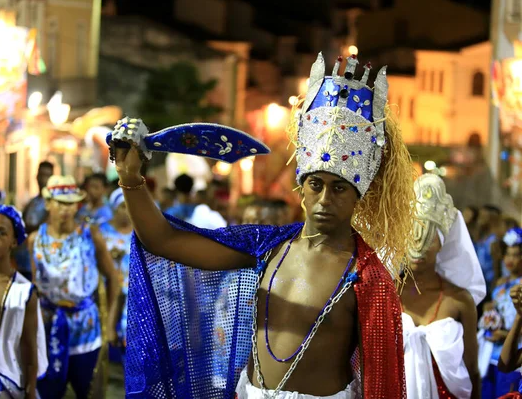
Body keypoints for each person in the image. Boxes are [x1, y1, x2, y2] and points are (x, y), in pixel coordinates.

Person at [111, 53, 416, 398]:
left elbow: (385, 386)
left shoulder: (370, 278)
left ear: (359, 194)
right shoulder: (266, 247)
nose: (325, 199)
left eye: (340, 188)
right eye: (316, 184)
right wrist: (131, 179)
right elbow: (163, 240)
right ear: (301, 186)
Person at [28, 175, 120, 399]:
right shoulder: (35, 239)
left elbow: (113, 278)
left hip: (85, 329)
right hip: (49, 327)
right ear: (48, 203)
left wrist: (108, 325)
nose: (66, 209)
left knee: (89, 391)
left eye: (71, 203)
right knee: (47, 392)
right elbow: (35, 285)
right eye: (60, 203)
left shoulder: (90, 234)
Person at [400, 173, 484, 398]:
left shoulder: (459, 300)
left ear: (442, 244)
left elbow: (473, 370)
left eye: (429, 238)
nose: (419, 247)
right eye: (413, 237)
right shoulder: (385, 294)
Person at [0, 205, 48, 398]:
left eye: (1, 233)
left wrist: (29, 392)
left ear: (13, 241)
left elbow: (30, 348)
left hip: (4, 384)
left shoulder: (23, 292)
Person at [478, 227, 522, 397]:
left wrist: (504, 334)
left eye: (516, 255)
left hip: (513, 352)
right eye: (508, 254)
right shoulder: (500, 282)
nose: (510, 259)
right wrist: (488, 308)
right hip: (491, 354)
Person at [99, 188, 132, 353]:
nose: (127, 212)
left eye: (130, 206)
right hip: (107, 291)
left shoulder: (140, 232)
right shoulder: (101, 231)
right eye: (122, 207)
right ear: (114, 208)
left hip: (131, 293)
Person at [22, 161, 55, 234]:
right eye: (41, 175)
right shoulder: (32, 202)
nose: (43, 179)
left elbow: (46, 225)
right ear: (36, 177)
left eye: (47, 176)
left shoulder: (54, 203)